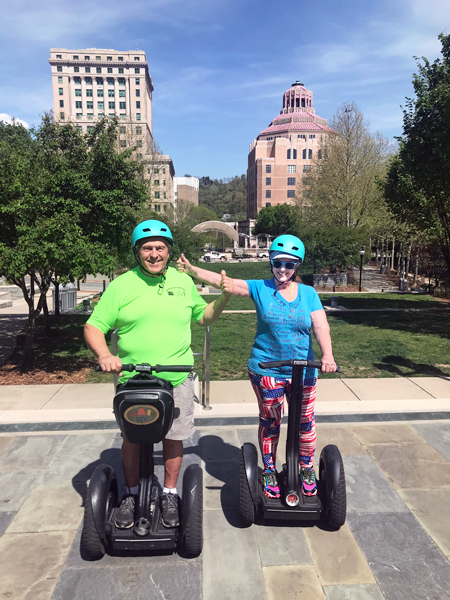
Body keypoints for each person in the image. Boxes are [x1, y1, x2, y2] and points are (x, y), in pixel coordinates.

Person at [84, 220, 231, 529]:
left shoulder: (182, 281)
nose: (154, 254)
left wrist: (223, 299)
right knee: (132, 439)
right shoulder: (122, 285)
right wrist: (105, 355)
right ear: (138, 252)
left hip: (175, 377)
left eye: (160, 248)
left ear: (168, 251)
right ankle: (131, 492)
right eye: (147, 248)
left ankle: (168, 493)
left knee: (174, 437)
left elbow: (203, 317)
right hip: (133, 379)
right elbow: (94, 325)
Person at [177, 234, 336, 498]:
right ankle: (269, 469)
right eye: (278, 263)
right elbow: (226, 283)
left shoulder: (308, 294)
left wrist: (327, 355)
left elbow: (321, 326)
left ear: (298, 266)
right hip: (267, 369)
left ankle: (306, 467)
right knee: (271, 420)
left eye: (289, 264)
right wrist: (193, 270)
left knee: (305, 422)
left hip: (304, 371)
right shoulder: (260, 288)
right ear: (271, 262)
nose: (283, 269)